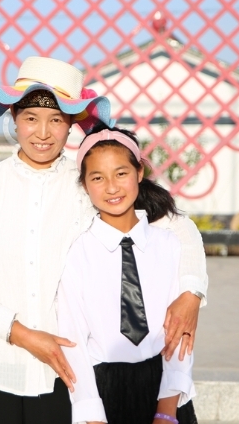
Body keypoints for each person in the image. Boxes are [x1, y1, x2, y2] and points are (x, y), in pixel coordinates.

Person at [0, 56, 207, 424]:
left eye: (56, 120)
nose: (43, 133)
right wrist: (21, 334)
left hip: (65, 374)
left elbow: (179, 228)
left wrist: (191, 293)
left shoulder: (87, 180)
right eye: (31, 118)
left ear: (71, 124)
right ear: (14, 117)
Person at [57, 125, 198, 424]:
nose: (111, 187)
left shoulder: (170, 245)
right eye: (98, 178)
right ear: (84, 185)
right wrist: (92, 414)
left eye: (121, 173)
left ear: (139, 172)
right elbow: (73, 342)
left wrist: (167, 411)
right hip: (103, 391)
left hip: (165, 391)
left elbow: (180, 335)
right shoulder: (76, 254)